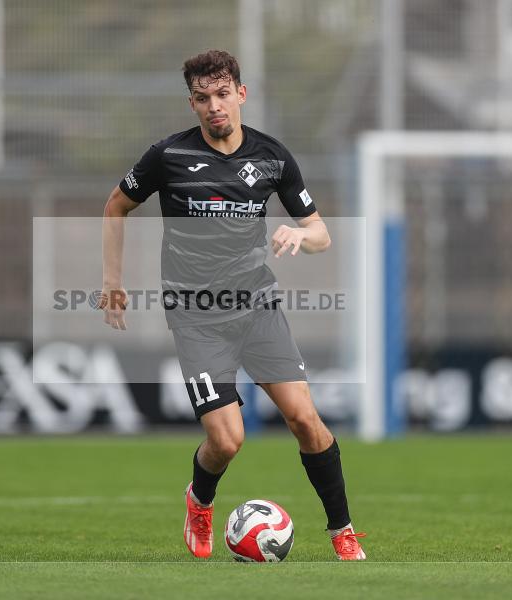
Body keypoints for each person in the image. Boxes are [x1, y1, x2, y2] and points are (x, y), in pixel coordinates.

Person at [101, 49, 365, 561]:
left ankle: (342, 531)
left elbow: (322, 234)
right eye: (203, 98)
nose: (214, 106)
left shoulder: (273, 158)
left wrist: (298, 232)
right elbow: (116, 204)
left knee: (306, 420)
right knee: (226, 441)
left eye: (223, 94)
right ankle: (200, 501)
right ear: (192, 103)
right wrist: (112, 280)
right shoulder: (168, 157)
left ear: (240, 95)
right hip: (196, 315)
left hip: (257, 307)